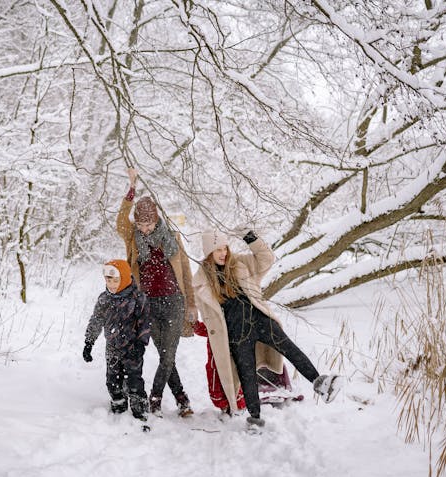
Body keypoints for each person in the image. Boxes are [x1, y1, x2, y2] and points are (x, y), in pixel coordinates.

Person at [192, 229, 342, 430]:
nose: (223, 253)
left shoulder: (241, 263)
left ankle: (320, 382)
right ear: (208, 252)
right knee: (247, 375)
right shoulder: (201, 282)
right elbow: (209, 318)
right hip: (236, 334)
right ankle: (255, 419)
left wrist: (249, 237)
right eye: (217, 250)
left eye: (224, 248)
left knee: (288, 347)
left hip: (260, 320)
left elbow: (266, 258)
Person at [116, 167, 197, 417]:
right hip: (147, 303)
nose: (145, 229)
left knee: (168, 354)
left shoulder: (171, 237)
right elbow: (121, 221)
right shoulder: (132, 237)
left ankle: (156, 398)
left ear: (156, 220)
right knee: (165, 355)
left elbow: (184, 271)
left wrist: (191, 304)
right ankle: (182, 399)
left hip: (174, 301)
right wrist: (131, 188)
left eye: (149, 224)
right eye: (141, 224)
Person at [83, 259, 151, 422]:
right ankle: (118, 404)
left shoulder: (137, 298)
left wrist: (141, 343)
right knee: (113, 380)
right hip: (112, 348)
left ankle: (139, 407)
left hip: (132, 347)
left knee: (134, 380)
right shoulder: (104, 299)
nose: (112, 284)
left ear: (126, 278)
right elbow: (96, 320)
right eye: (108, 280)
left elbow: (145, 323)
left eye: (116, 280)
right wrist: (89, 342)